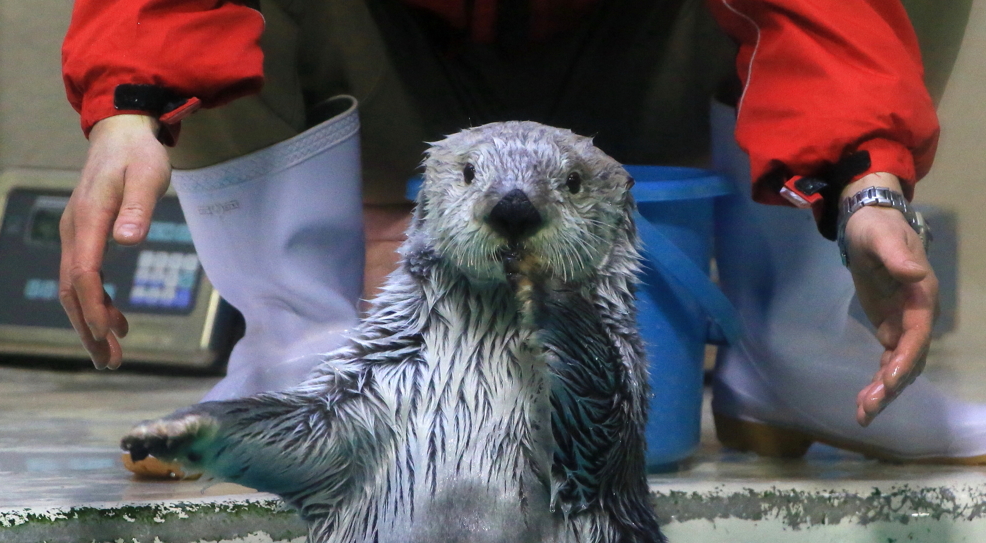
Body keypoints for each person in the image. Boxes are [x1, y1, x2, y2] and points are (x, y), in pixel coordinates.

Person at [58, 0, 982, 462]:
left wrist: (866, 183)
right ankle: (305, 359)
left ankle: (792, 347)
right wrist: (130, 103)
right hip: (395, 82)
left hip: (640, 79)